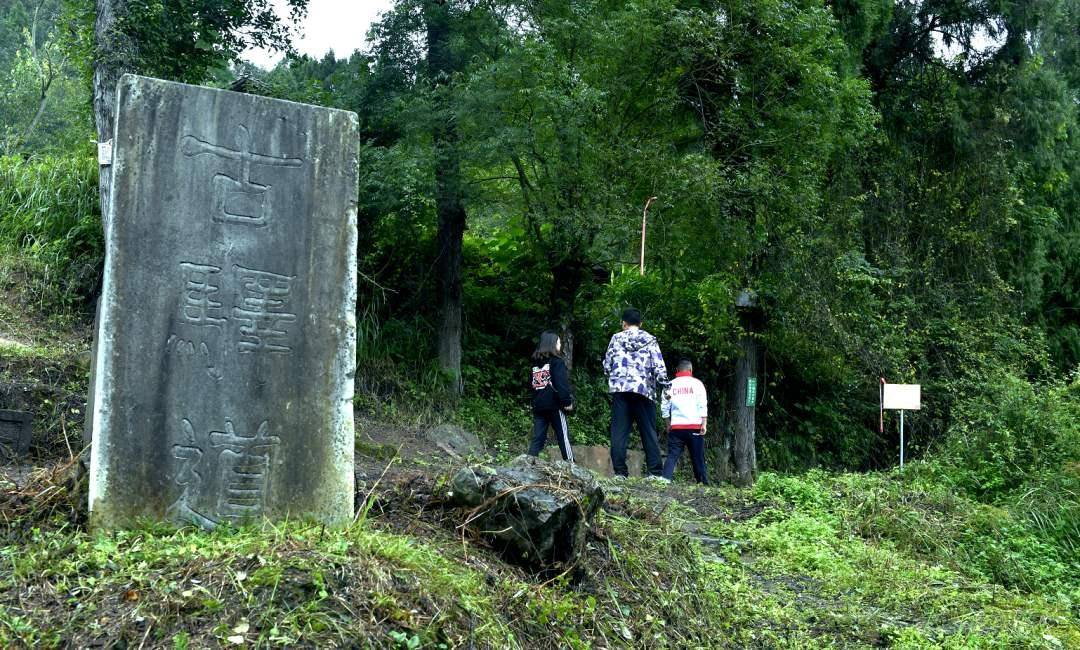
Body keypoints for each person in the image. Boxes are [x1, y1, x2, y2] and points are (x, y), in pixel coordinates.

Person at [603, 308, 668, 477]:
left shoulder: (616, 338)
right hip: (643, 390)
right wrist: (665, 386)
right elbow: (659, 368)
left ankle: (620, 473)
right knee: (648, 431)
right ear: (641, 324)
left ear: (623, 323)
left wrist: (614, 376)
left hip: (621, 390)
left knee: (619, 432)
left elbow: (607, 365)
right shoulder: (650, 339)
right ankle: (655, 473)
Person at [527, 331, 575, 462]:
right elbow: (561, 384)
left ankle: (528, 464)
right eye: (559, 342)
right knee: (563, 436)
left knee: (537, 438)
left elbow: (531, 385)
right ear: (552, 344)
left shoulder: (534, 365)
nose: (560, 344)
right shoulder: (556, 362)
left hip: (539, 406)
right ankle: (572, 466)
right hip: (555, 406)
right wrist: (567, 402)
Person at [661, 359, 709, 484]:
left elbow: (665, 406)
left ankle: (665, 480)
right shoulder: (697, 384)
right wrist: (704, 424)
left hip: (676, 427)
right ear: (691, 370)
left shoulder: (670, 385)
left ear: (677, 370)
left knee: (672, 455)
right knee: (697, 457)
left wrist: (668, 424)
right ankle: (702, 483)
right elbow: (702, 404)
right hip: (694, 426)